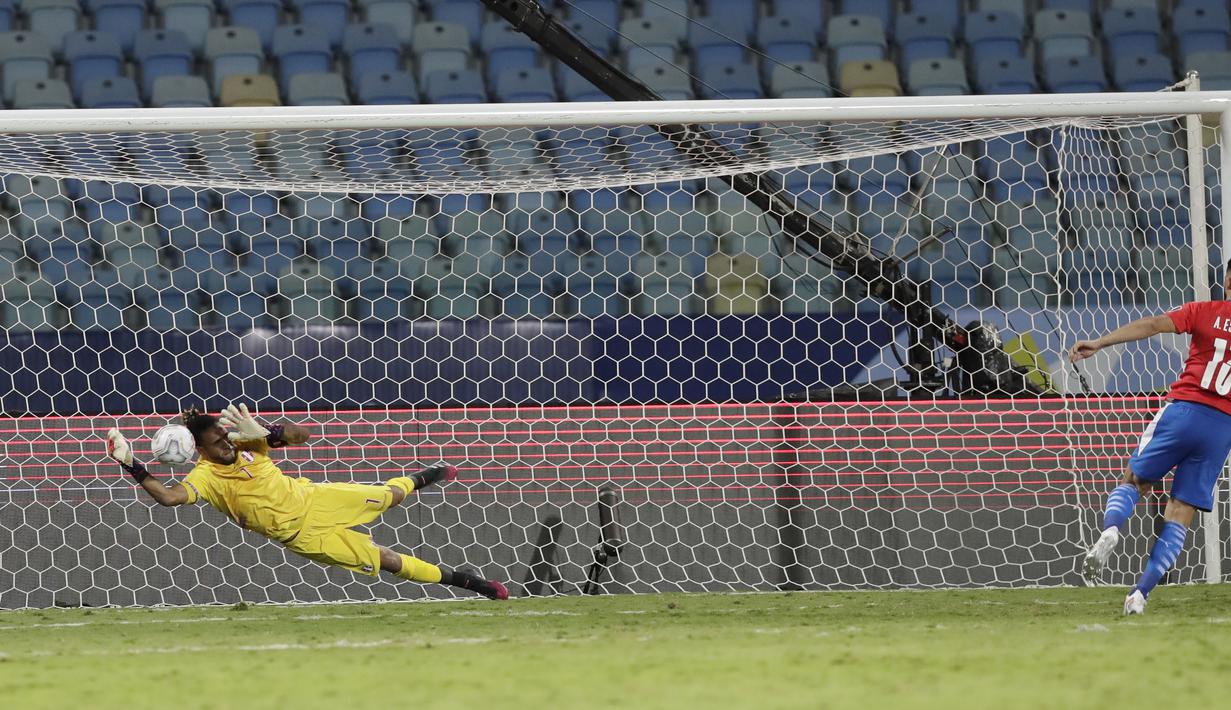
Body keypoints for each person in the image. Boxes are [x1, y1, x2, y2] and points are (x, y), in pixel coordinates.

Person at [104, 403, 507, 600]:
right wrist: (132, 465)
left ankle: (425, 475)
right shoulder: (204, 478)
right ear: (199, 451)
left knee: (389, 495)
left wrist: (268, 430)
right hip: (303, 535)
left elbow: (303, 436)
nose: (227, 444)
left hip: (315, 497)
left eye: (226, 437)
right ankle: (468, 581)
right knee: (388, 561)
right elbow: (168, 497)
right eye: (218, 443)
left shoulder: (248, 442)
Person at [1070, 265, 1231, 614]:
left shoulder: (1203, 311)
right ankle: (1139, 595)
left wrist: (1100, 342)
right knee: (1181, 511)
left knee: (1135, 481)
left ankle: (1111, 530)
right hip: (1221, 428)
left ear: (1228, 281)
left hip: (1184, 411)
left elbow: (1153, 325)